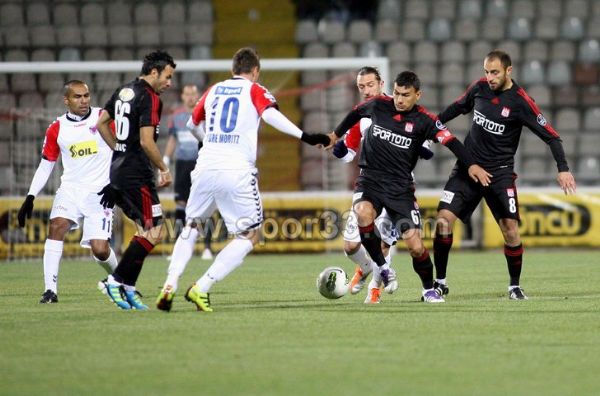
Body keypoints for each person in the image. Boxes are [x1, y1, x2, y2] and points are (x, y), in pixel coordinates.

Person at [156, 47, 330, 312]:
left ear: (232, 70)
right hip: (236, 170)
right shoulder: (255, 90)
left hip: (205, 167)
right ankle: (201, 287)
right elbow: (270, 115)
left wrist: (209, 143)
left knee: (192, 225)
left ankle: (170, 283)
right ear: (256, 71)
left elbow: (192, 125)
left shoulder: (213, 90)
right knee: (250, 234)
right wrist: (306, 137)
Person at [326, 71, 491, 303]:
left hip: (400, 189)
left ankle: (428, 289)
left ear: (417, 95)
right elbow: (355, 113)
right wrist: (335, 134)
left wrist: (472, 165)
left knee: (415, 245)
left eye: (405, 95)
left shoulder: (425, 120)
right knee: (362, 213)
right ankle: (382, 268)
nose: (399, 99)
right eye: (396, 93)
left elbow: (451, 141)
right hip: (371, 181)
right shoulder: (378, 105)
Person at [432, 50, 577, 300]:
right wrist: (429, 127)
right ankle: (440, 282)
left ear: (509, 71)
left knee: (510, 229)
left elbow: (551, 136)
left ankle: (514, 286)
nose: (489, 77)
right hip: (468, 168)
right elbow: (455, 109)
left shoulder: (521, 101)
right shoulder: (478, 88)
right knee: (444, 220)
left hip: (499, 173)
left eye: (495, 72)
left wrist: (563, 168)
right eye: (487, 72)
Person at [331, 66, 434, 304]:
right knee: (350, 245)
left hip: (398, 186)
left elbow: (425, 141)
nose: (366, 91)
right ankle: (366, 267)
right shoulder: (363, 115)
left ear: (381, 84)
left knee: (384, 242)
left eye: (370, 85)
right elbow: (347, 153)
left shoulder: (397, 107)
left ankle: (375, 290)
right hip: (370, 184)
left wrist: (421, 146)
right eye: (361, 87)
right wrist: (338, 148)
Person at [17, 80, 118, 303]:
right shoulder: (57, 128)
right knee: (56, 226)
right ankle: (50, 290)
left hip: (100, 193)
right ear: (66, 100)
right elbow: (47, 163)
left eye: (86, 96)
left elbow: (121, 151)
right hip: (70, 190)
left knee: (100, 250)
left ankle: (121, 281)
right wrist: (30, 196)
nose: (84, 101)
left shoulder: (104, 118)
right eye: (77, 97)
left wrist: (117, 183)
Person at [95, 50, 176, 310]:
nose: (169, 83)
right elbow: (146, 141)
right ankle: (115, 281)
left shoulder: (123, 91)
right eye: (167, 76)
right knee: (155, 231)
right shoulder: (150, 98)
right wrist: (163, 167)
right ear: (154, 72)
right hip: (136, 173)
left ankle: (128, 288)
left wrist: (118, 150)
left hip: (118, 170)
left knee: (146, 230)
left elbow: (101, 123)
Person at [163, 84, 214, 260]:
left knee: (205, 205)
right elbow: (172, 140)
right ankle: (179, 248)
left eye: (194, 94)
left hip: (201, 163)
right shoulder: (176, 116)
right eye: (187, 94)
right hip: (182, 164)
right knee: (181, 204)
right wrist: (165, 161)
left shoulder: (206, 113)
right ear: (183, 96)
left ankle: (207, 247)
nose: (191, 97)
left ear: (198, 95)